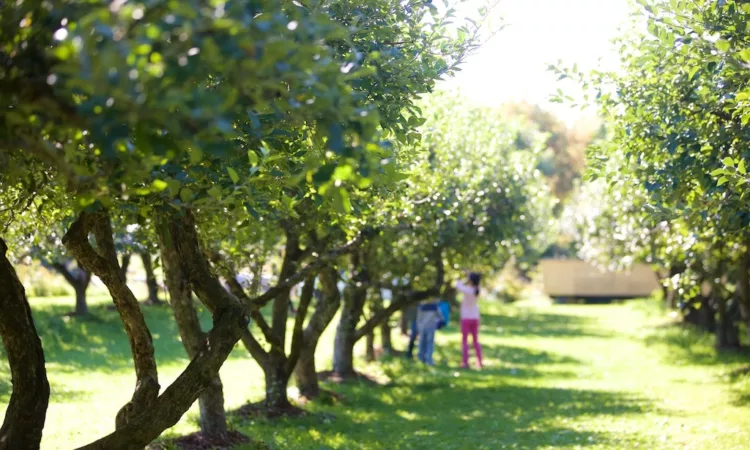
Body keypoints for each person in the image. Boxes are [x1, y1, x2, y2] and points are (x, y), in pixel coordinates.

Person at [457, 271, 483, 369]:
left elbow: (458, 284)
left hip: (466, 318)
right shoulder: (477, 290)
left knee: (465, 341)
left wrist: (462, 275)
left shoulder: (467, 290)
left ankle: (465, 362)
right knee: (476, 340)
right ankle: (479, 361)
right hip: (475, 317)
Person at [416, 300, 444, 366]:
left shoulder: (422, 307)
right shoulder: (434, 307)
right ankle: (429, 360)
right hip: (431, 327)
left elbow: (418, 318)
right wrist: (439, 324)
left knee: (422, 343)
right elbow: (441, 317)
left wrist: (418, 327)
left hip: (422, 327)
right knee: (429, 343)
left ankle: (421, 358)